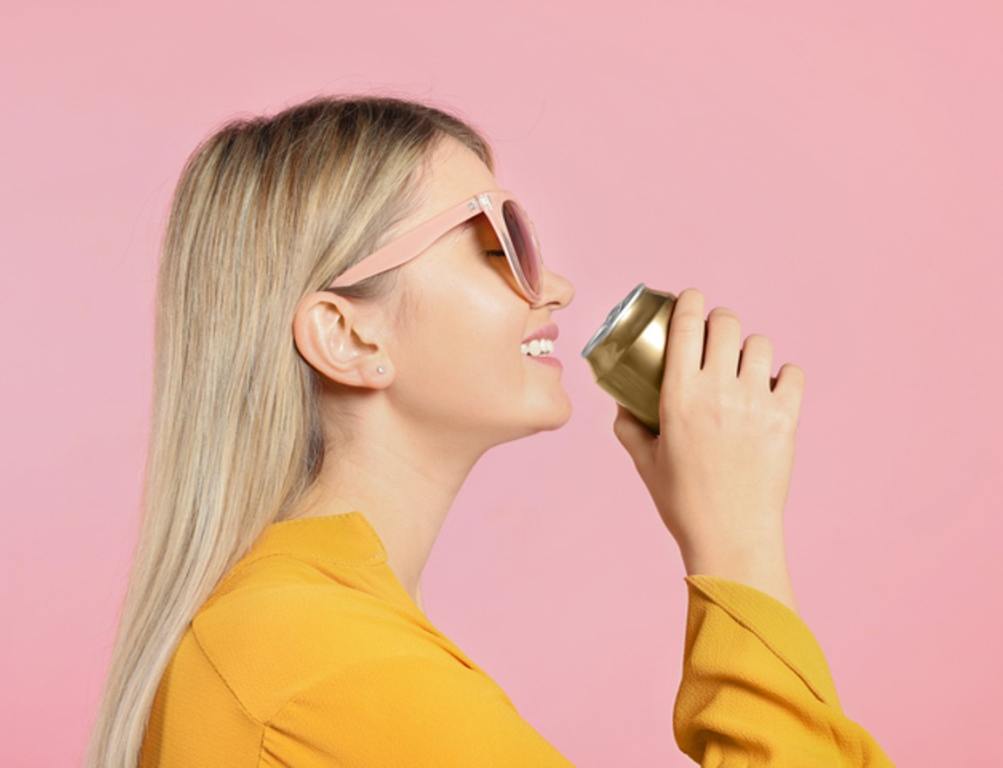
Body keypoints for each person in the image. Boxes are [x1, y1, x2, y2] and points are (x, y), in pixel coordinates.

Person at [85, 94, 894, 767]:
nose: (558, 286)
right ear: (348, 336)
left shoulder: (301, 637)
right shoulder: (316, 661)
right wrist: (737, 547)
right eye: (496, 243)